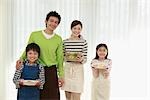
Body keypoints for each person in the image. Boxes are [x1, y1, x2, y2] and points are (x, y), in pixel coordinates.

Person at [16, 11, 64, 100]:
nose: (53, 23)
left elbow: (60, 59)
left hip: (51, 71)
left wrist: (61, 76)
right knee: (36, 96)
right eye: (51, 21)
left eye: (56, 22)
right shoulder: (35, 35)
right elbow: (28, 50)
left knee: (52, 96)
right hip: (36, 69)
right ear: (46, 21)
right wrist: (20, 60)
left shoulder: (58, 39)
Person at [62, 20, 88, 100]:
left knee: (77, 95)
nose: (77, 30)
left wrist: (81, 59)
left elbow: (85, 59)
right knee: (68, 96)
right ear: (71, 29)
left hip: (78, 70)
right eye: (74, 28)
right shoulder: (65, 42)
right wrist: (67, 57)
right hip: (67, 69)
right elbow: (62, 57)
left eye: (79, 28)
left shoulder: (84, 42)